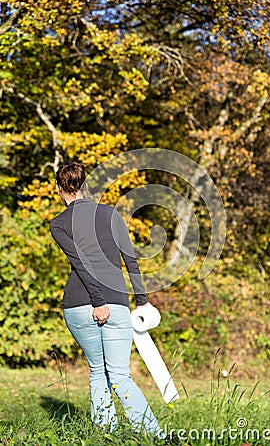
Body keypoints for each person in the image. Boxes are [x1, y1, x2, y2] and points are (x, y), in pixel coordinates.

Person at [50, 162, 161, 436]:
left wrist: (98, 301)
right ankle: (154, 436)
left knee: (98, 372)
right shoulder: (110, 214)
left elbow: (80, 262)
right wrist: (141, 299)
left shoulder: (58, 223)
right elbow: (130, 259)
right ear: (86, 186)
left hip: (76, 305)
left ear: (58, 189)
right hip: (109, 301)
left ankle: (106, 434)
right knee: (120, 375)